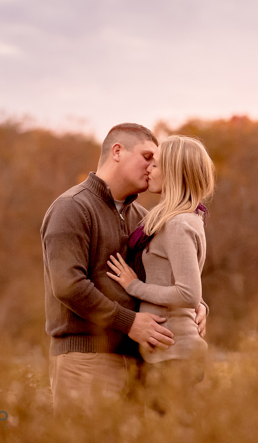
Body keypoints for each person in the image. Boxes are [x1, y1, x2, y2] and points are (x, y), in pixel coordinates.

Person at [40, 123, 208, 412]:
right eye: (147, 157)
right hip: (88, 359)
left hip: (142, 362)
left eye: (157, 162)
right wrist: (128, 322)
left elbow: (166, 277)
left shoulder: (146, 219)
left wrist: (198, 305)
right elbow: (68, 285)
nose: (153, 167)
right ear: (117, 151)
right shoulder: (71, 207)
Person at [107, 135, 213, 405]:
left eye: (156, 164)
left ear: (174, 172)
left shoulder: (178, 224)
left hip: (175, 355)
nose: (149, 169)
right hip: (164, 353)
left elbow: (188, 292)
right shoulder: (175, 218)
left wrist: (134, 287)